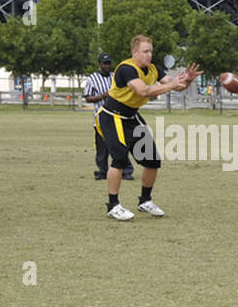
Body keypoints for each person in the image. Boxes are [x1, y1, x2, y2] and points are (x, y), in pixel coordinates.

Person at [98, 36, 199, 221]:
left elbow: (176, 85)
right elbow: (143, 90)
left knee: (152, 160)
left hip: (131, 116)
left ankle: (145, 200)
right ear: (135, 52)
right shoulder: (126, 69)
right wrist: (171, 84)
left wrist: (188, 81)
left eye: (151, 51)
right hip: (113, 116)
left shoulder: (153, 69)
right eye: (145, 51)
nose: (149, 55)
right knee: (119, 160)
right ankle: (113, 205)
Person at [84, 53, 133, 181]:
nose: (107, 66)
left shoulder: (114, 77)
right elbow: (88, 98)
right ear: (99, 64)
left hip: (116, 116)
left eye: (109, 63)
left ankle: (126, 170)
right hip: (100, 117)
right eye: (104, 63)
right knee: (102, 147)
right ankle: (103, 170)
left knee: (120, 143)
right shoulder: (92, 79)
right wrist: (103, 96)